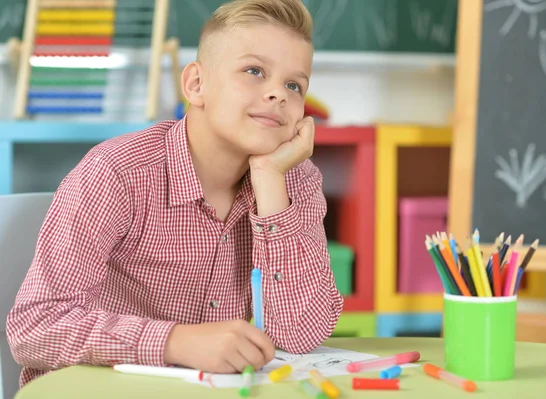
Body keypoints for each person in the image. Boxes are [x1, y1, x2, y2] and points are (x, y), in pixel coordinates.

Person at [6, 0, 343, 387]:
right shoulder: (118, 174)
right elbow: (35, 325)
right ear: (196, 84)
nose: (278, 95)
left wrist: (269, 179)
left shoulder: (292, 179)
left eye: (293, 85)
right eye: (254, 71)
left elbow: (300, 336)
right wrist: (174, 342)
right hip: (96, 388)